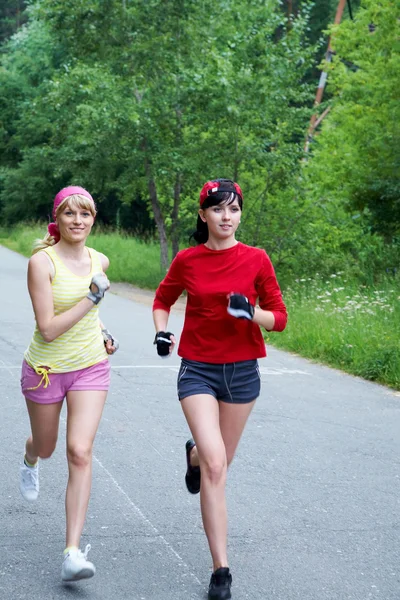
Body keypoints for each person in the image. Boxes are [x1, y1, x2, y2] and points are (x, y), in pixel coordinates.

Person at [152, 179, 287, 600]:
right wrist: (162, 333)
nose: (226, 217)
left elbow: (279, 318)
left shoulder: (256, 259)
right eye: (218, 209)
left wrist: (253, 313)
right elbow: (162, 299)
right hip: (198, 369)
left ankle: (192, 453)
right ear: (203, 215)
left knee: (218, 460)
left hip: (243, 372)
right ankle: (221, 570)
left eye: (233, 209)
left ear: (240, 214)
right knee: (216, 467)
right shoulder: (188, 260)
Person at [19, 186, 118, 583]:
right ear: (56, 219)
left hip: (90, 366)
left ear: (94, 219)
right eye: (70, 214)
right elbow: (49, 327)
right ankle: (30, 456)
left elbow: (89, 319)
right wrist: (93, 300)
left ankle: (72, 552)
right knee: (47, 447)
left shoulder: (100, 260)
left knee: (80, 451)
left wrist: (105, 330)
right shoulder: (41, 263)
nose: (78, 221)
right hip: (45, 367)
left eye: (86, 214)